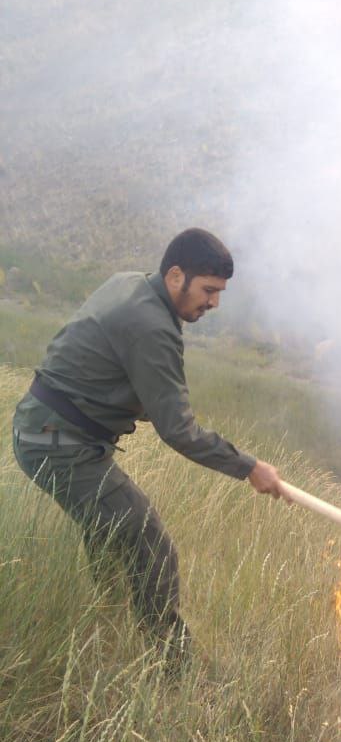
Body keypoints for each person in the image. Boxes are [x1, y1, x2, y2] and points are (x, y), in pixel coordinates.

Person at [12, 228, 289, 666]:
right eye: (209, 290)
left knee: (110, 536)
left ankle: (104, 632)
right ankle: (174, 668)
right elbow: (178, 431)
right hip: (57, 442)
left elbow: (100, 364)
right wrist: (250, 467)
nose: (215, 303)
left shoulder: (131, 284)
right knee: (148, 541)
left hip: (47, 431)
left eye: (219, 292)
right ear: (176, 275)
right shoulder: (151, 326)